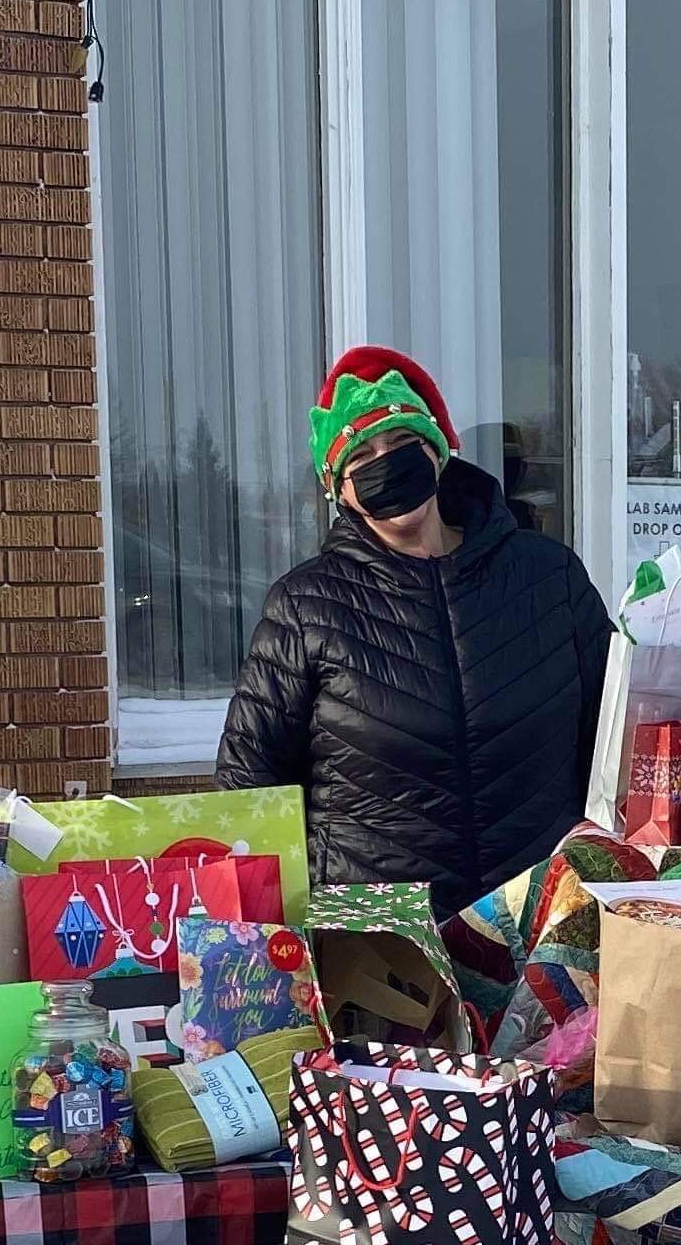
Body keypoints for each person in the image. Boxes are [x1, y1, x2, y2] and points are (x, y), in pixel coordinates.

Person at [218, 346, 612, 916]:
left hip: (540, 922)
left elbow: (613, 735)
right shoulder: (305, 606)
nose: (386, 463)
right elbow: (247, 784)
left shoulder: (547, 576)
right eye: (364, 457)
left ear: (437, 448)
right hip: (382, 949)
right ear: (340, 489)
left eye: (402, 444)